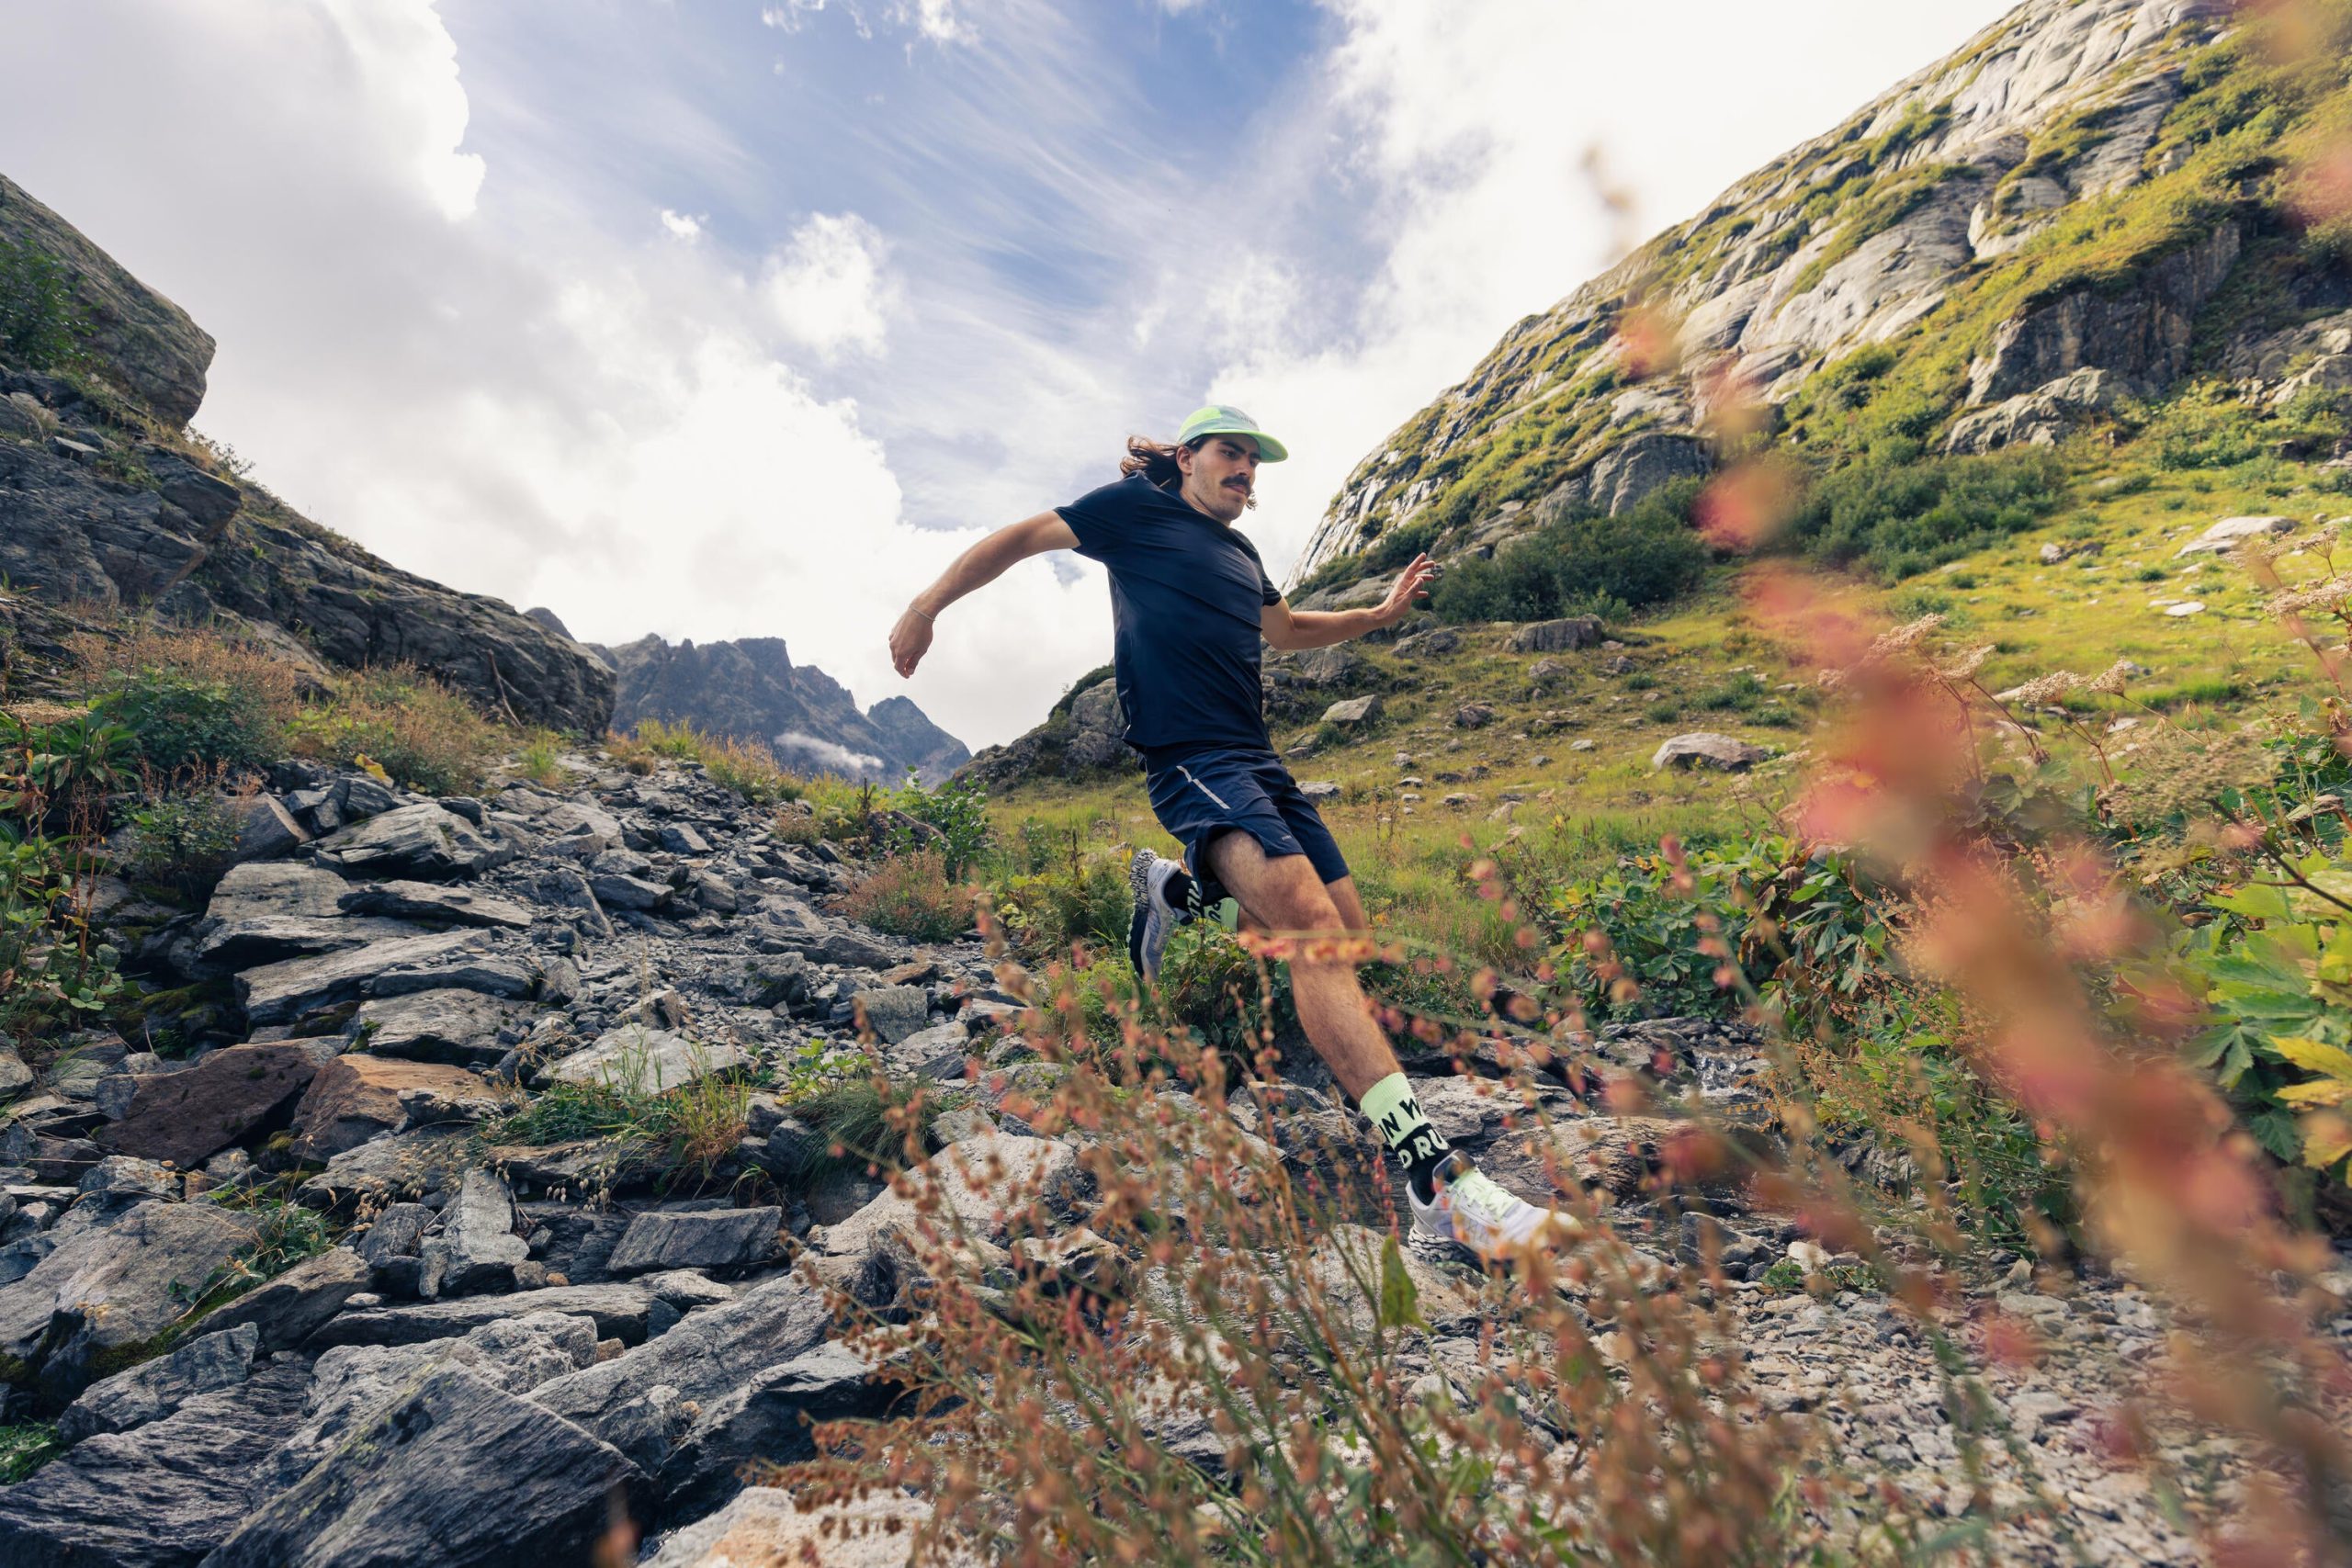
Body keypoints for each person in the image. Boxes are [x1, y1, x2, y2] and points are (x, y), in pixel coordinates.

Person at [888, 404, 1574, 1261]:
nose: (1245, 470)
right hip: (1190, 755)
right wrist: (927, 604)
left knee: (1341, 939)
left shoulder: (1242, 554)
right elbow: (1025, 536)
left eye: (1254, 462)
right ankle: (1436, 1179)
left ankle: (1175, 894)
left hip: (1259, 761)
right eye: (1231, 454)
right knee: (1314, 936)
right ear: (1187, 458)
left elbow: (1285, 632)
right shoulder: (1136, 512)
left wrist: (1378, 615)